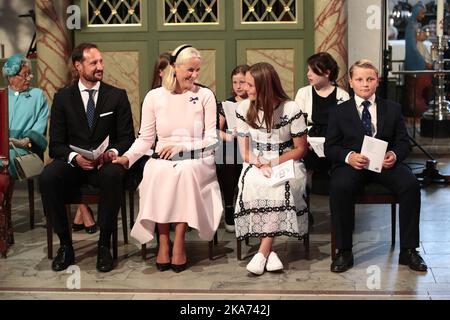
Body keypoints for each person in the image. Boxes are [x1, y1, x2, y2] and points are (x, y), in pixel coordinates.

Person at [113, 44, 223, 273]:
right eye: (189, 70)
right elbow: (145, 138)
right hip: (162, 158)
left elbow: (212, 139)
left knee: (185, 173)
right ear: (174, 67)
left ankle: (180, 240)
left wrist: (182, 147)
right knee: (156, 171)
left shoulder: (205, 95)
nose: (194, 76)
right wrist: (127, 157)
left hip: (196, 157)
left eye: (197, 71)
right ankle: (163, 240)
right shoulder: (154, 97)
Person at [39, 43, 135, 273]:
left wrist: (111, 153)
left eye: (101, 61)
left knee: (113, 175)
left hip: (105, 164)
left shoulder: (117, 96)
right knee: (48, 176)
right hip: (75, 165)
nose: (100, 66)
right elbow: (56, 145)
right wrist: (74, 157)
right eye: (94, 63)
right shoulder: (62, 97)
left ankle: (104, 246)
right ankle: (65, 245)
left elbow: (127, 138)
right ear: (78, 66)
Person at [324, 59, 427, 273]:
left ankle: (409, 250)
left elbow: (403, 143)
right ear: (350, 82)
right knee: (339, 187)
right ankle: (344, 251)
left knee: (410, 184)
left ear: (377, 81)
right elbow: (330, 148)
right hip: (353, 167)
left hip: (385, 165)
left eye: (370, 79)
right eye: (359, 79)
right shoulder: (338, 112)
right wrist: (349, 156)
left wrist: (394, 155)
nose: (365, 84)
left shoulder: (393, 108)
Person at [234, 62, 309, 275]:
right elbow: (245, 152)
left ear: (265, 85)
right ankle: (270, 252)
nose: (245, 89)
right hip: (256, 160)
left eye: (250, 85)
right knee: (255, 183)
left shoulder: (291, 108)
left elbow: (300, 149)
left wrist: (274, 163)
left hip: (287, 160)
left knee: (278, 185)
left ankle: (262, 252)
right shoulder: (242, 108)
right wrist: (260, 163)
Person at [294, 52, 349, 186]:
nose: (308, 74)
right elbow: (297, 123)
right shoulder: (303, 92)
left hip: (333, 139)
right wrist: (306, 140)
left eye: (313, 71)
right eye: (308, 70)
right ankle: (307, 186)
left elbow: (345, 126)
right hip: (309, 139)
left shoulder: (343, 95)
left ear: (327, 73)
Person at [3, 54, 48, 181]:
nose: (29, 78)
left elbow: (39, 129)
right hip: (3, 150)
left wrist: (25, 140)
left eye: (30, 74)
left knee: (4, 159)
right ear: (11, 78)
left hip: (26, 151)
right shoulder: (2, 95)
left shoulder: (37, 96)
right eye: (25, 75)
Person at [216, 64, 249, 233]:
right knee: (228, 154)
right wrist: (229, 136)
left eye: (242, 82)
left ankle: (246, 207)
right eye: (235, 82)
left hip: (252, 143)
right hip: (232, 143)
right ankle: (229, 207)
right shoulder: (227, 103)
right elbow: (216, 131)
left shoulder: (256, 102)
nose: (238, 86)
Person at [404, 1, 433, 116]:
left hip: (422, 68)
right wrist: (424, 63)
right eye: (421, 13)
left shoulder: (415, 25)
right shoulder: (411, 26)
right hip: (417, 67)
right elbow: (412, 47)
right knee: (416, 94)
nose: (423, 16)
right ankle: (417, 112)